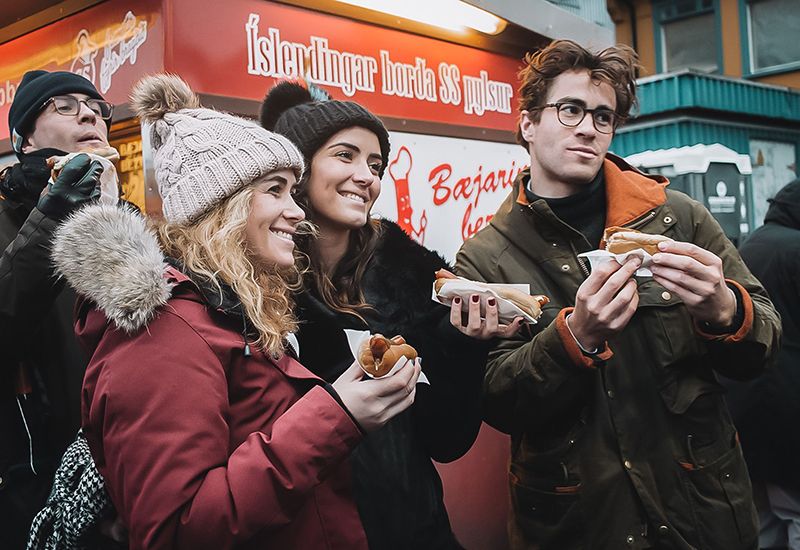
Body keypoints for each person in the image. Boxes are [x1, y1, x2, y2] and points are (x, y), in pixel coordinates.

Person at [49, 73, 421, 549]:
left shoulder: (228, 305)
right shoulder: (165, 332)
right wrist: (336, 415)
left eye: (293, 190)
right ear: (223, 205)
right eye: (275, 190)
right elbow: (175, 530)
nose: (297, 211)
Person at [455, 40, 781, 550]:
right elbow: (498, 402)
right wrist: (575, 337)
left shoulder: (677, 218)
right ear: (528, 124)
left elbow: (763, 344)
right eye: (570, 110)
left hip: (701, 511)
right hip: (579, 523)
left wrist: (724, 309)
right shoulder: (485, 257)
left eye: (603, 116)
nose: (588, 128)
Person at [260, 81, 520, 549]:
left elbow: (445, 442)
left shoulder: (415, 282)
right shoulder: (251, 291)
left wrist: (463, 346)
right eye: (346, 155)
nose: (367, 176)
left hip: (415, 530)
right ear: (295, 168)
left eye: (376, 164)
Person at [0, 70, 110, 548]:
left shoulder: (123, 216)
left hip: (123, 481)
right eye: (63, 105)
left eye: (95, 106)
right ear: (25, 138)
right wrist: (53, 217)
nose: (88, 113)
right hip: (35, 489)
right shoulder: (7, 219)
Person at [733, 179, 800, 550]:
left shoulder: (752, 243)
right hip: (791, 403)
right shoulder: (796, 249)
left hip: (746, 399)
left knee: (764, 519)